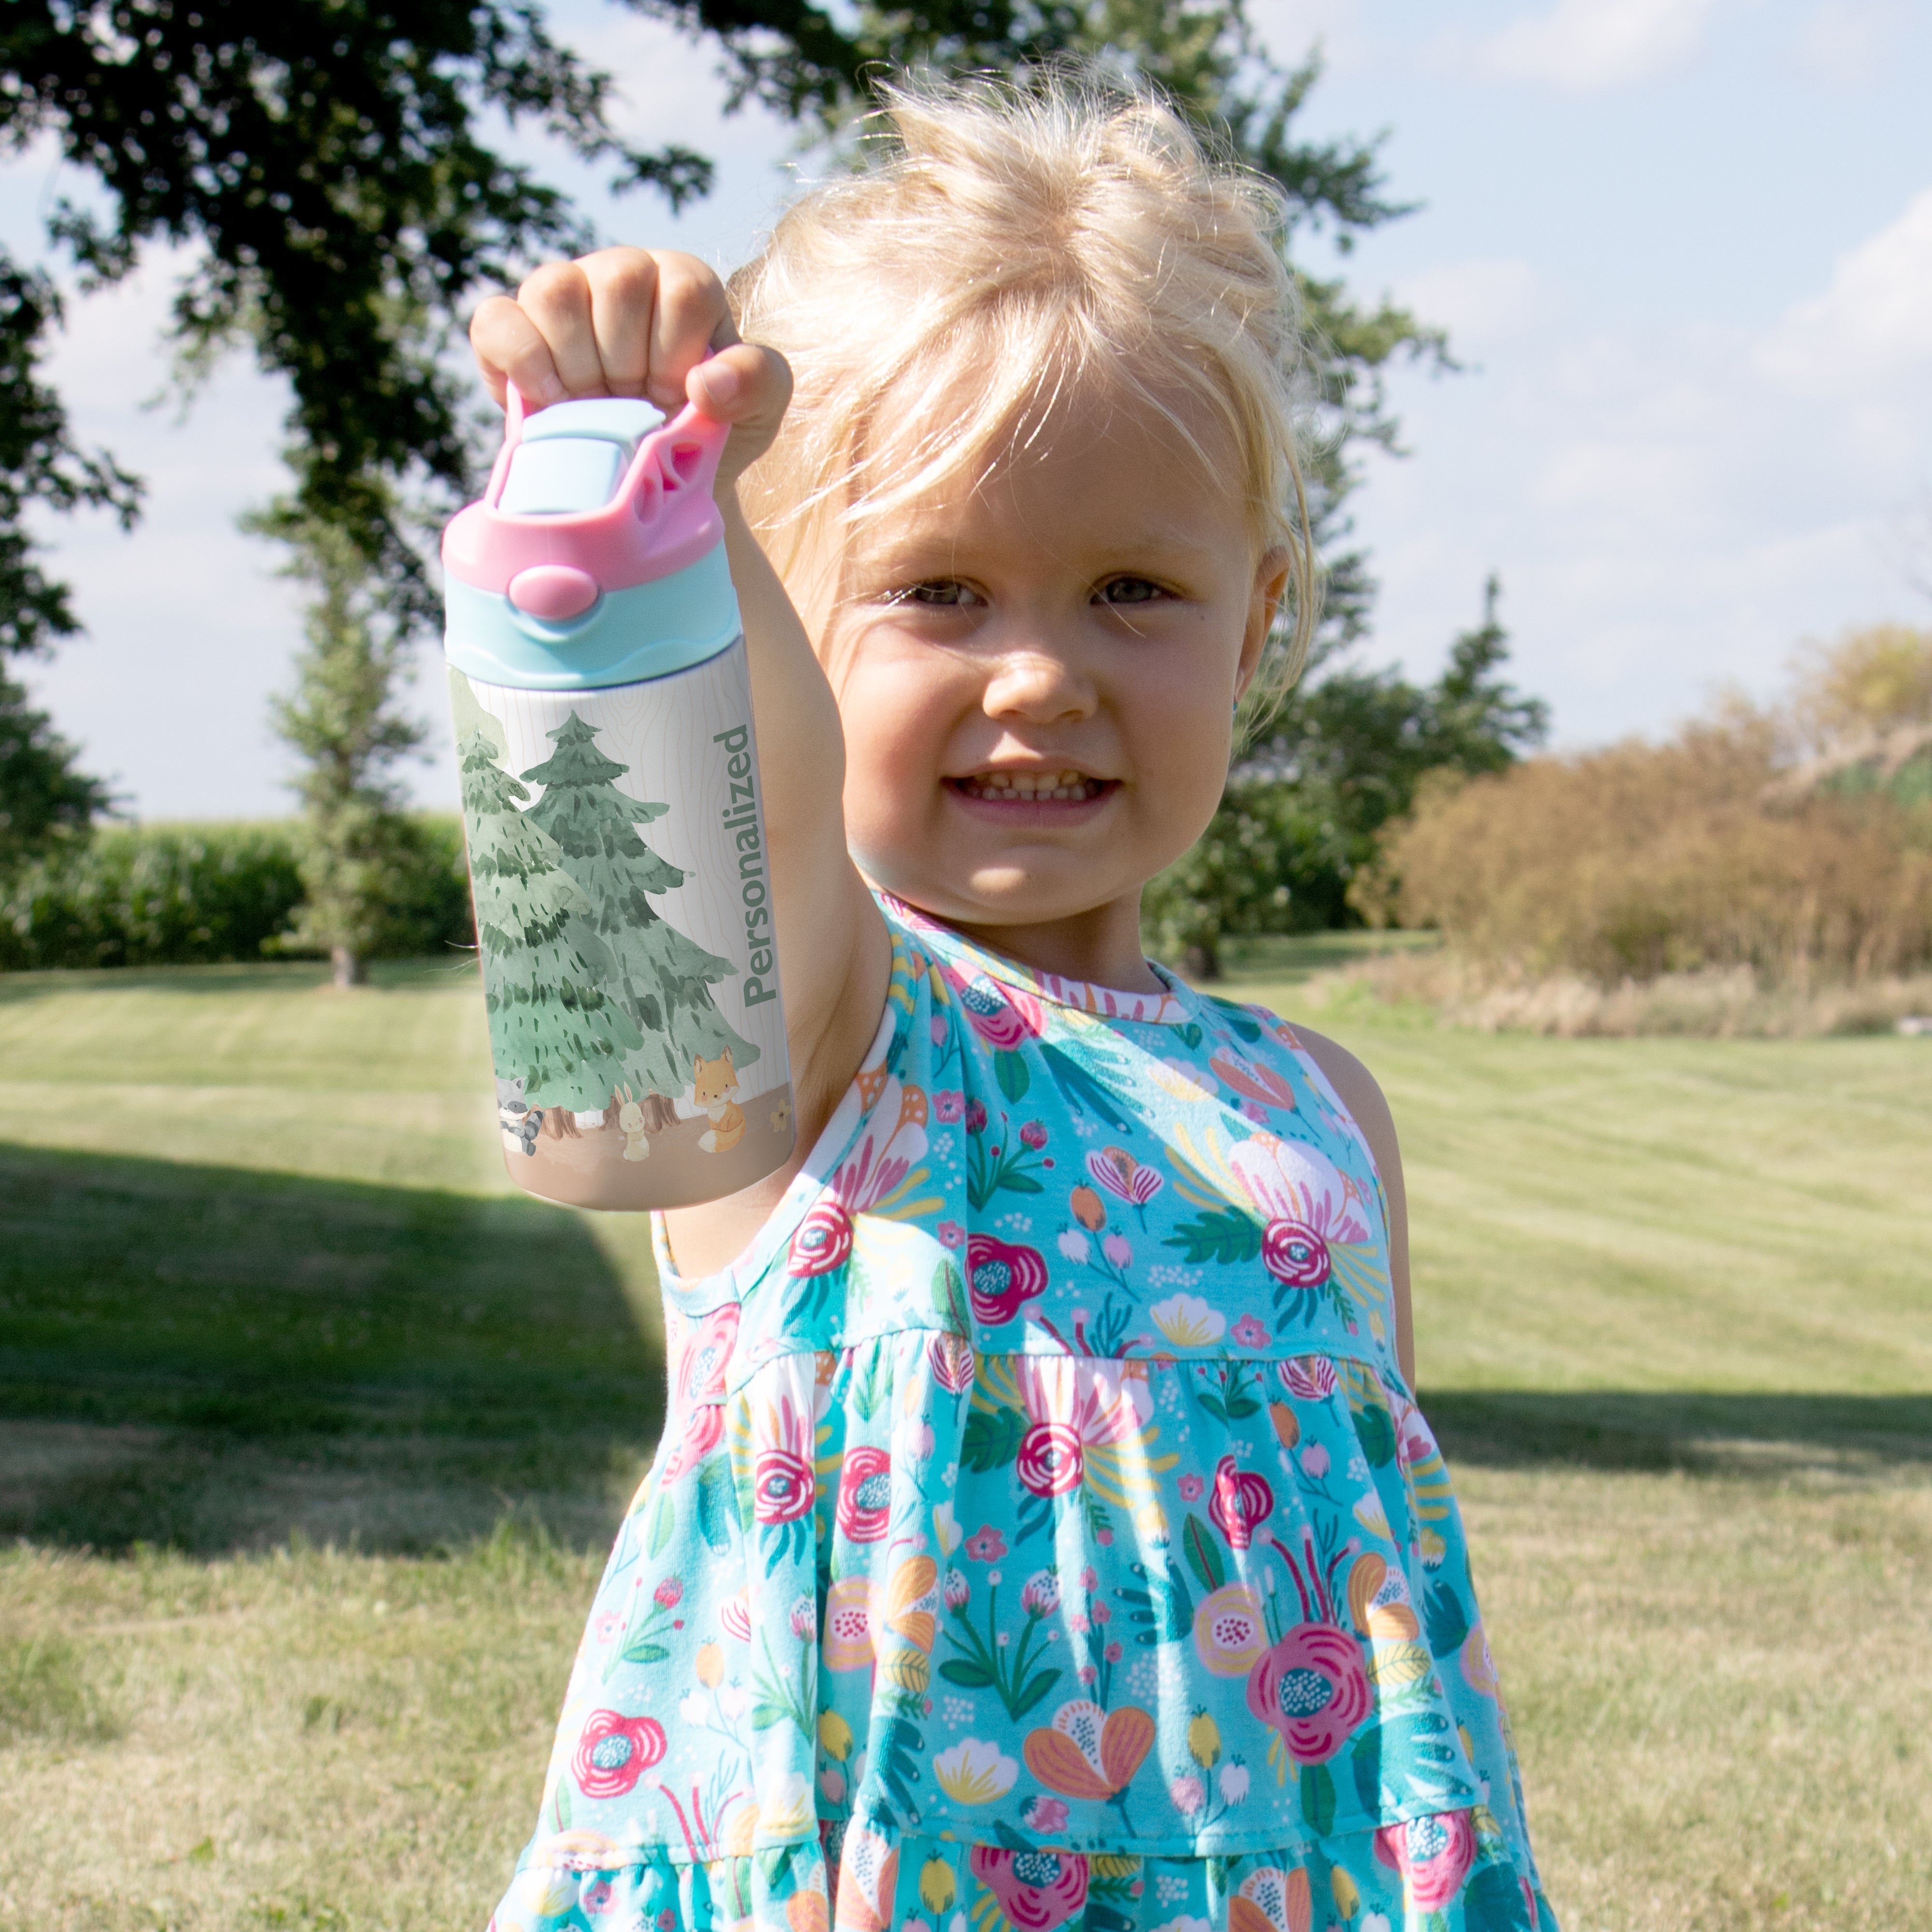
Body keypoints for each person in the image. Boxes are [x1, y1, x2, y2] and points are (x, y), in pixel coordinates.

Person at [470, 74, 1558, 1932]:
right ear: (780, 635)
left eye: (1135, 588)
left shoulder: (1318, 1109)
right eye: (938, 592)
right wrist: (617, 574)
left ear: (1259, 615)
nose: (1041, 672)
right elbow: (660, 940)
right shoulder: (833, 1036)